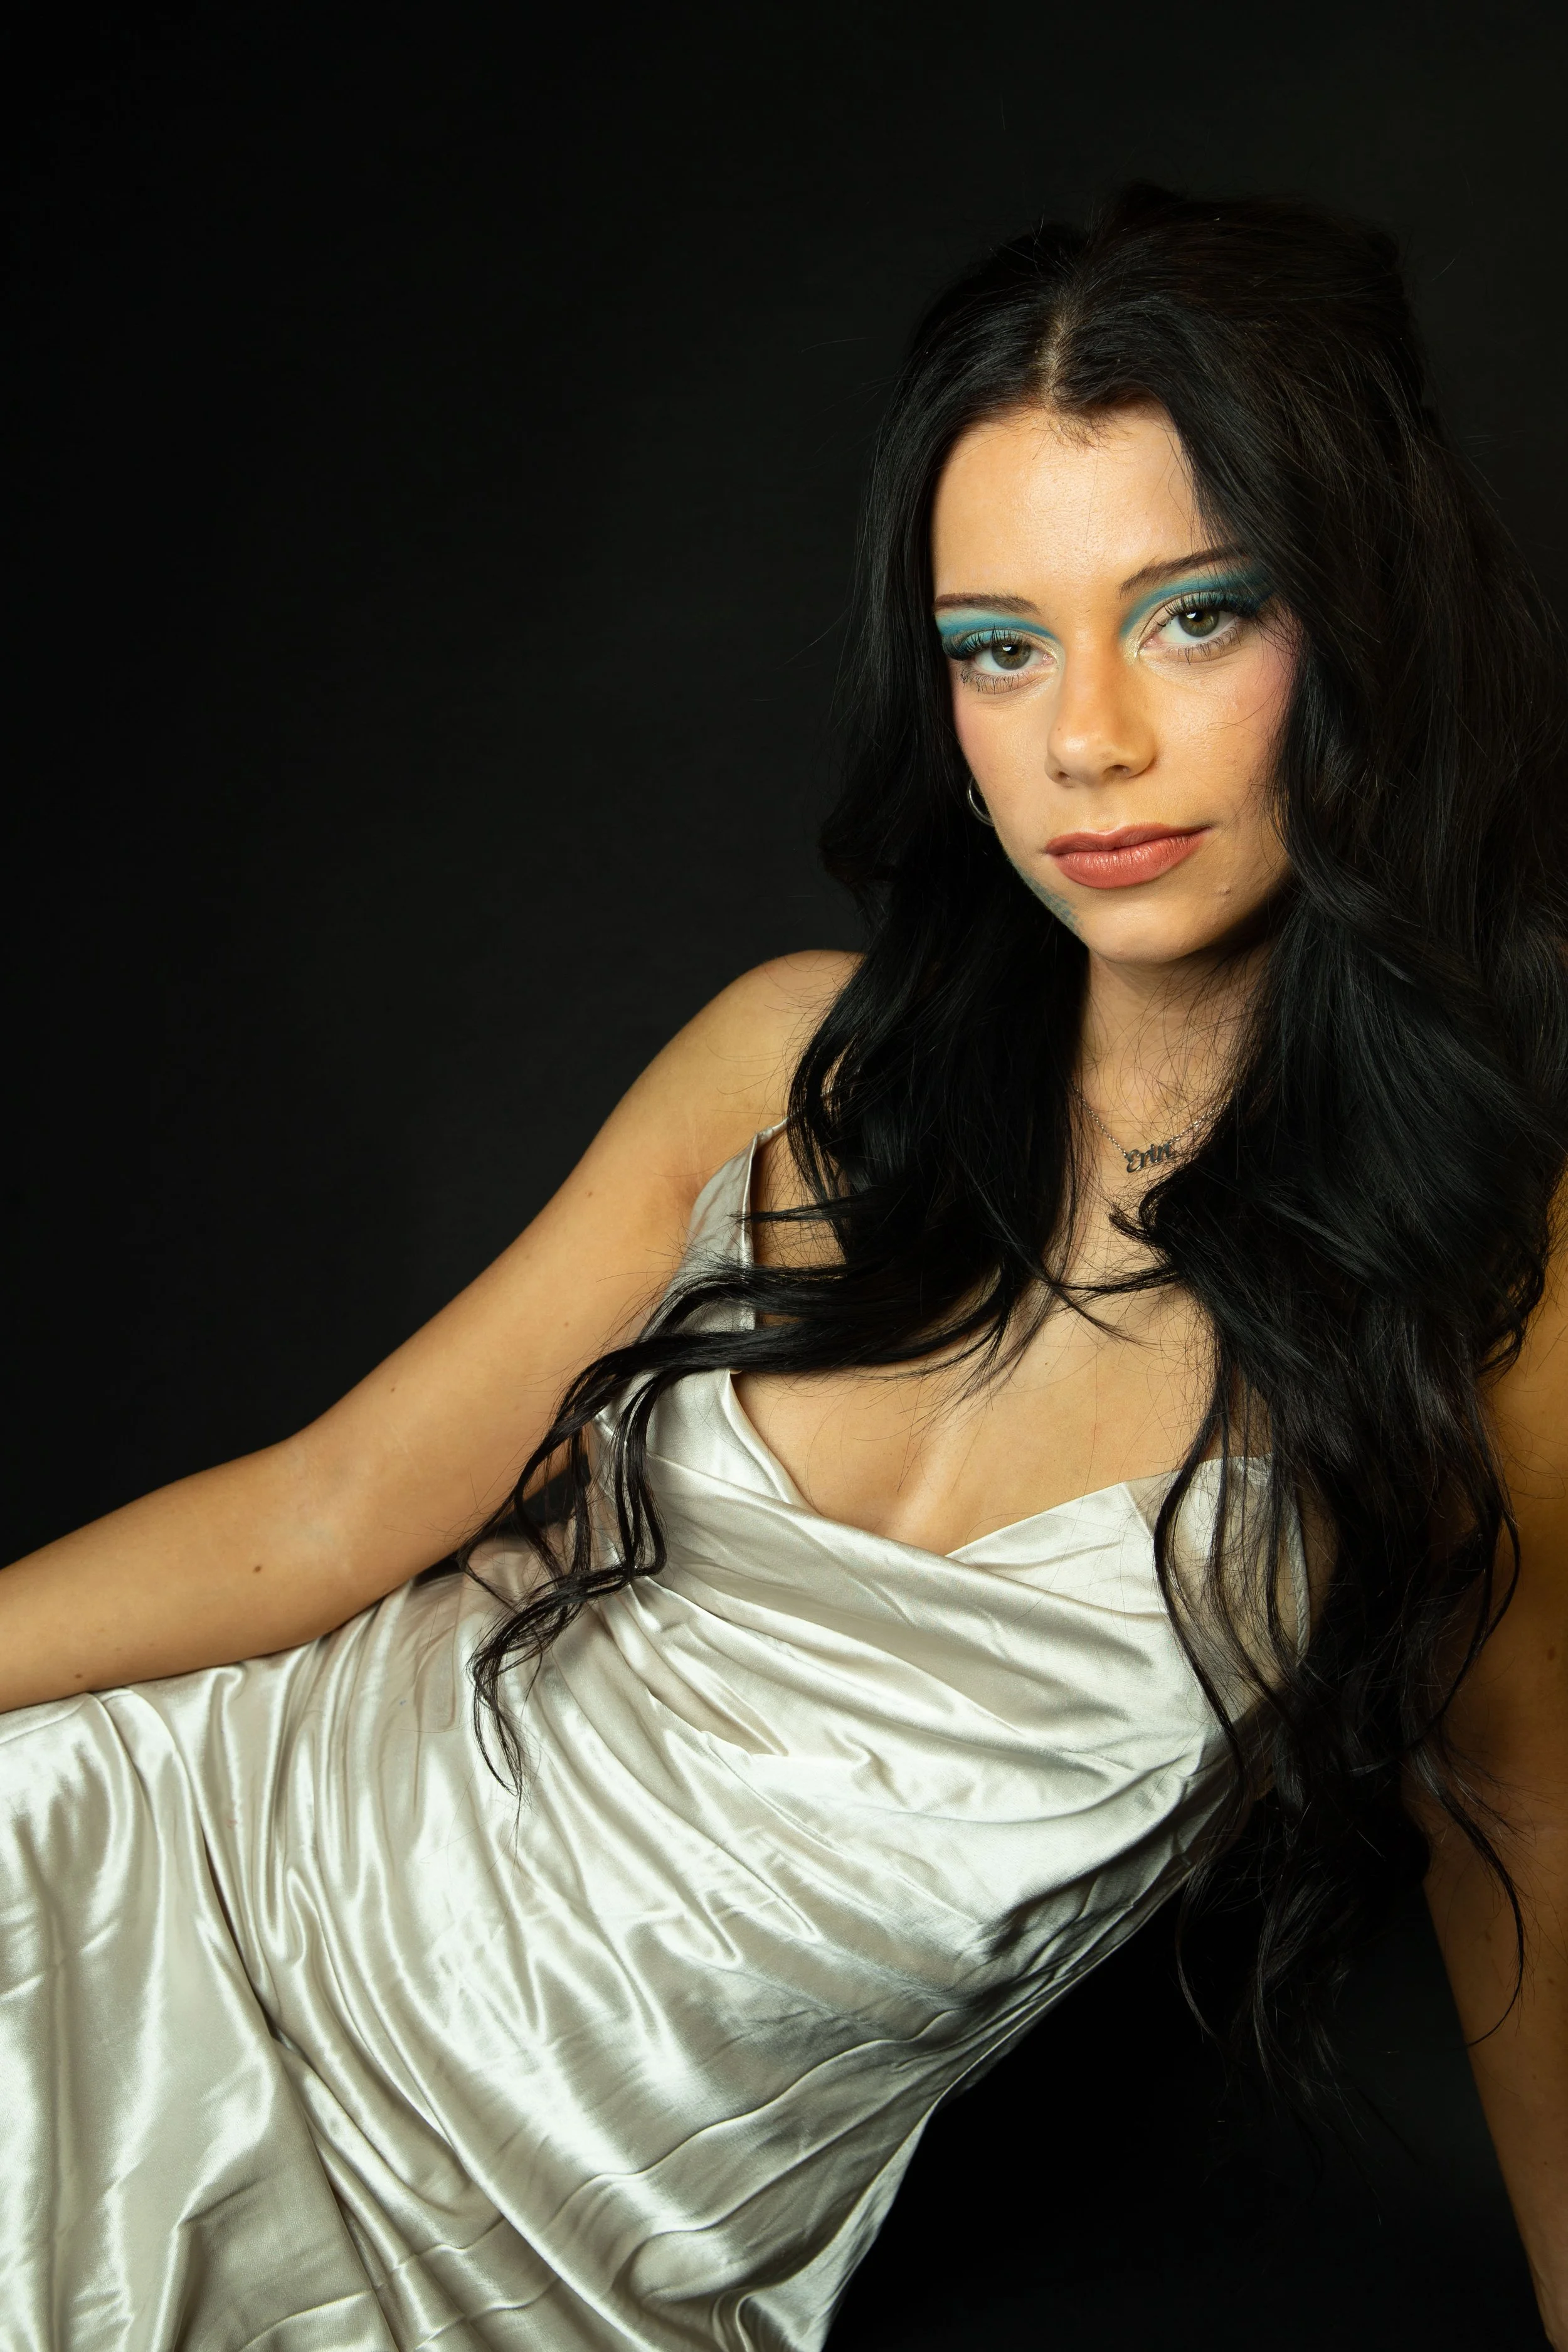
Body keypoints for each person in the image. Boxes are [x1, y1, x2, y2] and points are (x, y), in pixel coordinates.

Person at [3, 183, 1567, 2352]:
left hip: (530, 2282)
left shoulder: (1482, 1303)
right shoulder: (800, 1062)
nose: (1085, 738)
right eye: (996, 645)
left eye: (1196, 614)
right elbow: (332, 1508)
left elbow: (1532, 1855)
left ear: (1366, 619)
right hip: (143, 1898)